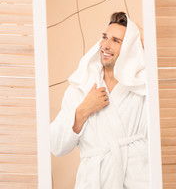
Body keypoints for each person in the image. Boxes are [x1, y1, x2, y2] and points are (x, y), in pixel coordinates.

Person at [50, 12, 148, 189]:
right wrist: (83, 110)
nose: (105, 45)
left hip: (138, 179)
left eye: (116, 41)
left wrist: (138, 33)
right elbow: (56, 146)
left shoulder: (141, 85)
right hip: (94, 182)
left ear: (129, 48)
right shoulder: (80, 87)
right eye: (104, 37)